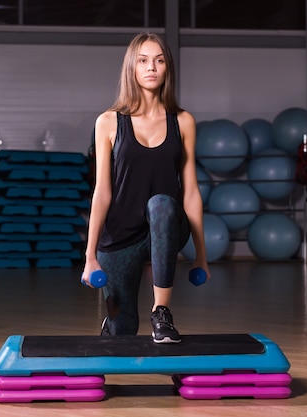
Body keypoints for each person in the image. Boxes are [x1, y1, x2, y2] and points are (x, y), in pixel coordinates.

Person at [81, 32, 209, 344]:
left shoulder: (183, 121)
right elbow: (102, 191)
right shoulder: (108, 122)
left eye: (159, 60)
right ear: (132, 69)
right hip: (121, 232)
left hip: (165, 226)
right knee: (122, 329)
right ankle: (112, 323)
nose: (151, 67)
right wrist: (89, 255)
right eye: (143, 61)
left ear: (167, 69)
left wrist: (201, 255)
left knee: (162, 204)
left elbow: (190, 190)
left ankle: (161, 312)